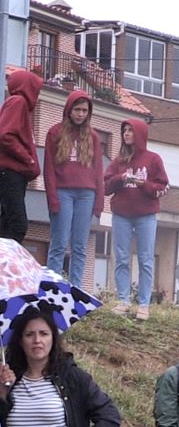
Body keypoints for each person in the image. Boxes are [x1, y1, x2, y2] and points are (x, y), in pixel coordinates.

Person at [103, 119, 168, 320]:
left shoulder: (153, 159)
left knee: (145, 259)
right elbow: (105, 187)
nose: (127, 134)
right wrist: (120, 178)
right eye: (124, 131)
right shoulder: (119, 161)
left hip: (145, 216)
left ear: (140, 134)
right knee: (121, 258)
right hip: (121, 215)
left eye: (131, 131)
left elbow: (163, 187)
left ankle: (144, 304)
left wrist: (143, 184)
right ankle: (123, 301)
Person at [44, 91, 105, 288]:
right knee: (59, 243)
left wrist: (99, 202)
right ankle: (53, 286)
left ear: (89, 113)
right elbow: (48, 170)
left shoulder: (93, 137)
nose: (80, 114)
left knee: (79, 246)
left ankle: (76, 288)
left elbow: (98, 170)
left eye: (84, 111)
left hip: (86, 194)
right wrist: (52, 198)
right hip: (63, 192)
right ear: (69, 110)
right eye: (77, 109)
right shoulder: (54, 132)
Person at [0, 71, 43, 243]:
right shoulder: (18, 102)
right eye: (36, 89)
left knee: (6, 224)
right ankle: (8, 267)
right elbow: (5, 135)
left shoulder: (19, 105)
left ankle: (4, 266)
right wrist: (28, 158)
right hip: (10, 173)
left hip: (13, 174)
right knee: (18, 225)